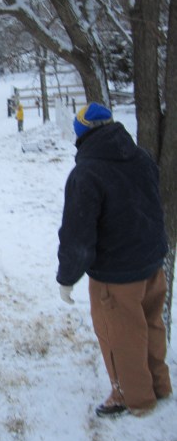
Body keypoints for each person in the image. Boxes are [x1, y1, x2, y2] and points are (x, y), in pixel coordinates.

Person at [57, 102, 172, 417]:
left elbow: (77, 235)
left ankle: (133, 398)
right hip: (153, 266)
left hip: (117, 276)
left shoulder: (86, 173)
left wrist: (67, 278)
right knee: (151, 326)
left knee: (120, 338)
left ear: (81, 135)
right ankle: (159, 385)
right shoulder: (141, 157)